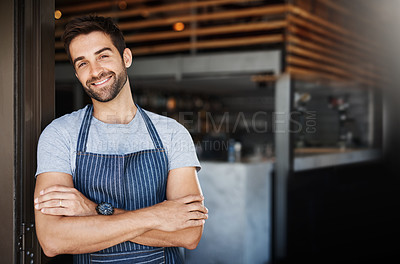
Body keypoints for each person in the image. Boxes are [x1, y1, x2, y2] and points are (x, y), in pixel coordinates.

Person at [34, 15, 208, 264]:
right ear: (76, 72)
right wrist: (159, 216)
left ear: (126, 57)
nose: (95, 71)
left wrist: (93, 210)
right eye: (82, 63)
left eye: (103, 56)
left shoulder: (172, 133)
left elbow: (189, 234)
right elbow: (53, 240)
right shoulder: (59, 134)